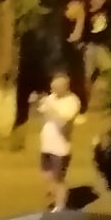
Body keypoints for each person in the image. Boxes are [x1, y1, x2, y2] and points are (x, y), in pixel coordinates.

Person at [33, 73, 81, 212]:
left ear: (65, 87)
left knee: (58, 179)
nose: (52, 89)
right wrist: (36, 102)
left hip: (61, 148)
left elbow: (63, 122)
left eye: (55, 87)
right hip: (46, 145)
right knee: (47, 175)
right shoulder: (51, 97)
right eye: (51, 86)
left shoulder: (72, 101)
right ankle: (57, 198)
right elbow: (40, 112)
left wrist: (50, 108)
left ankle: (60, 207)